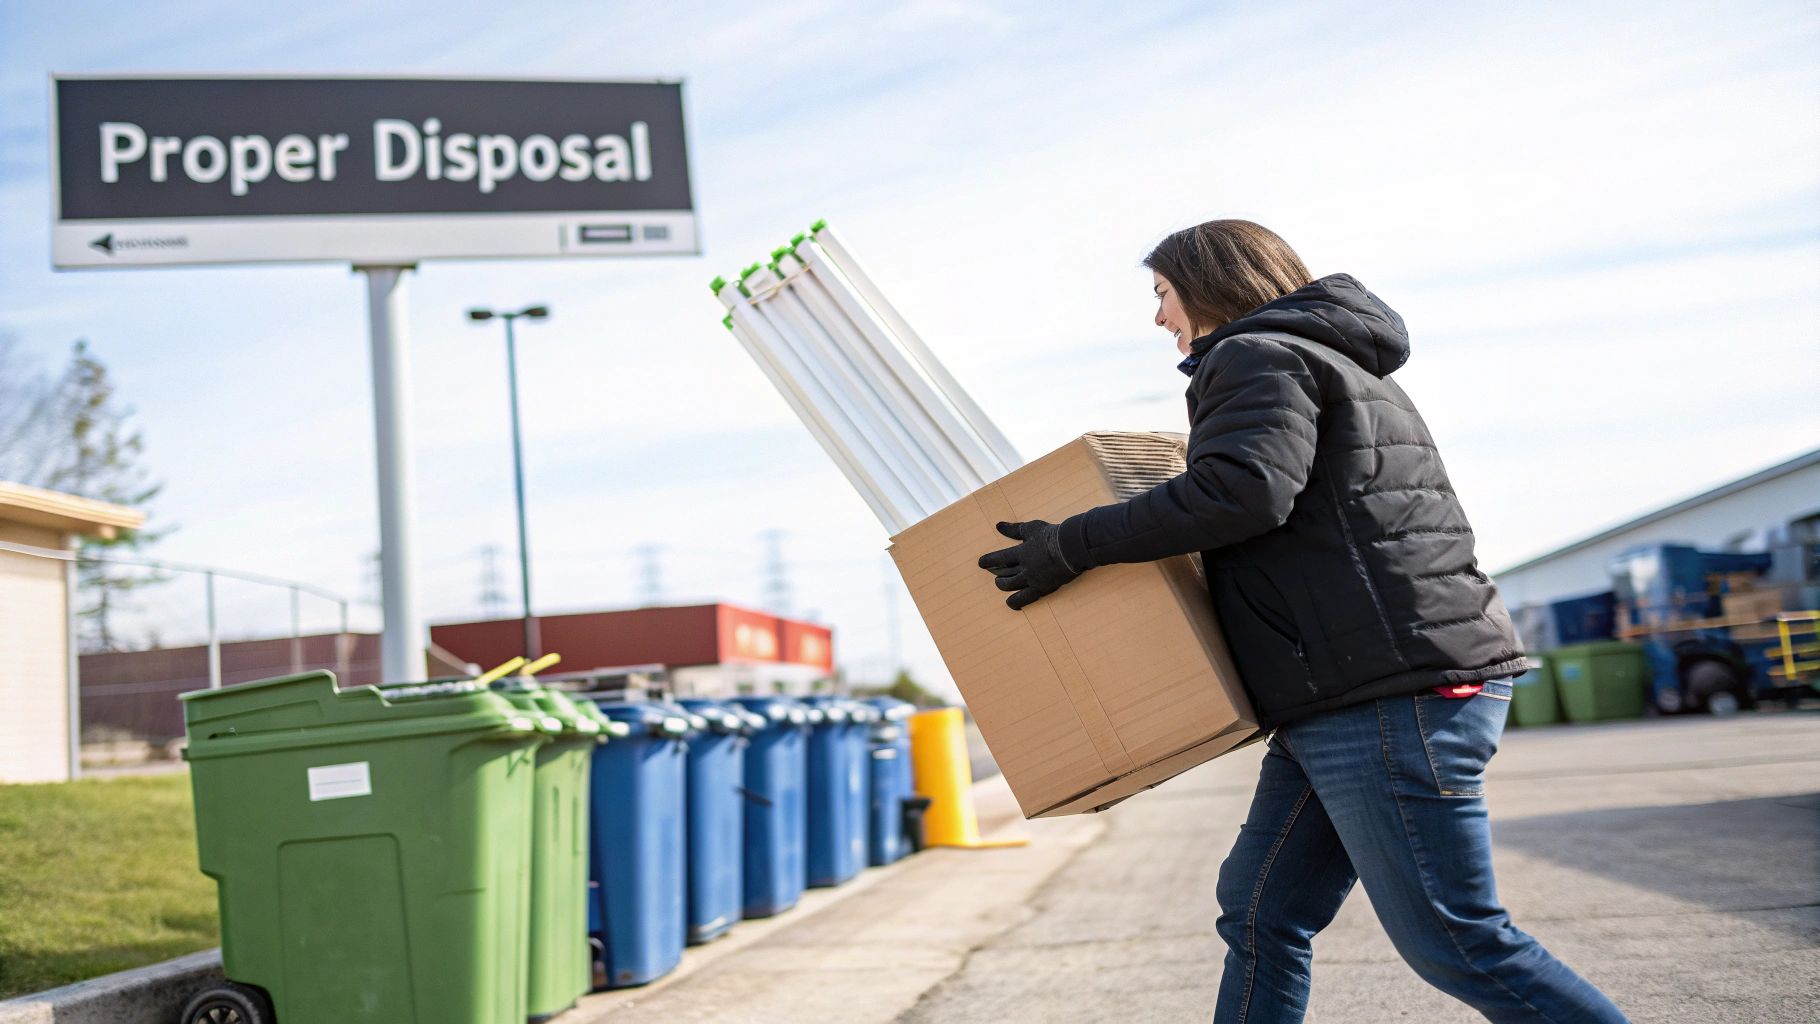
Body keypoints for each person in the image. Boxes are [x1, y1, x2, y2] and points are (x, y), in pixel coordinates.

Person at [976, 220, 1629, 1023]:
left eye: (1162, 295)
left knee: (1458, 941)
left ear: (1211, 285)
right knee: (1260, 910)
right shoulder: (1328, 358)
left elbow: (1243, 491)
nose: (1159, 319)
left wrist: (1072, 545)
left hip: (1385, 694)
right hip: (1347, 690)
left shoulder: (1254, 356)